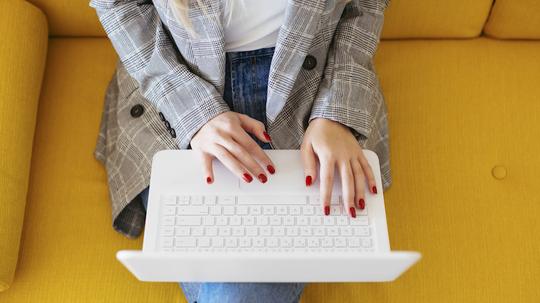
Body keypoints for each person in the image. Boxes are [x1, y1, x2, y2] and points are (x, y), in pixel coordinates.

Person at [90, 0, 392, 302]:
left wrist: (335, 112)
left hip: (313, 88)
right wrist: (196, 112)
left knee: (236, 292)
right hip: (173, 80)